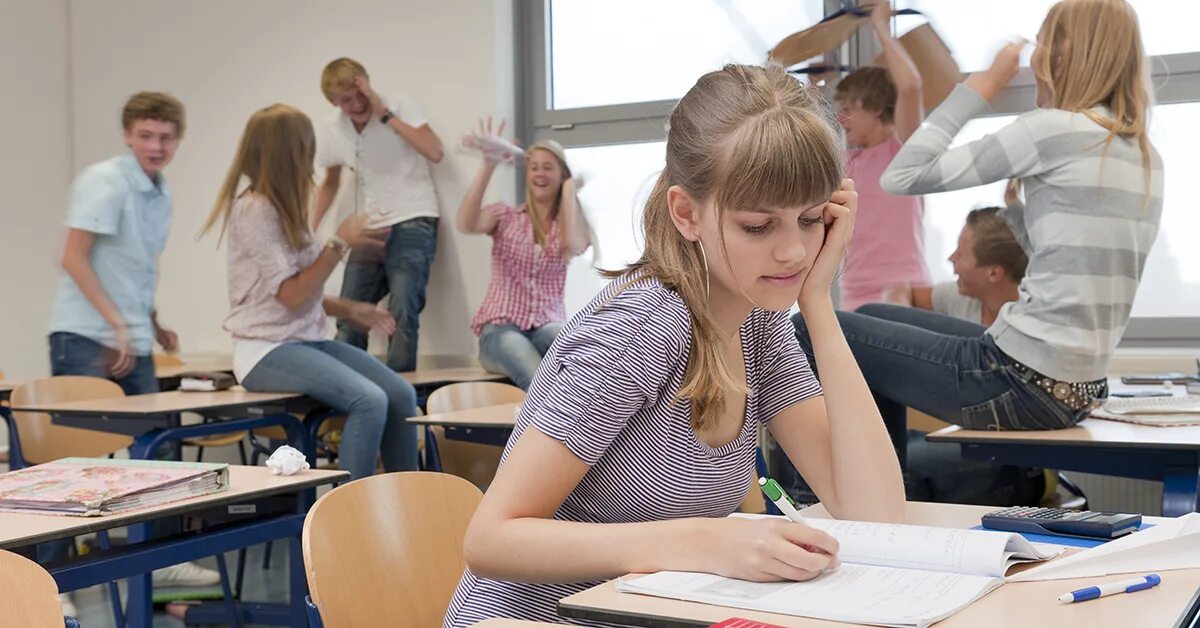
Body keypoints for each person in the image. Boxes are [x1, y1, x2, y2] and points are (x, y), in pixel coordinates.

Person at [443, 63, 904, 627]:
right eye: (758, 227)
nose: (793, 252)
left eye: (811, 220)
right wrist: (701, 542)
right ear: (687, 213)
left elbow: (876, 515)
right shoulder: (637, 331)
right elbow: (490, 540)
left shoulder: (761, 323)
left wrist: (819, 307)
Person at [793, 0, 1163, 456]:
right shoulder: (1142, 155)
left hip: (1017, 379)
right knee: (869, 320)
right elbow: (1053, 262)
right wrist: (1017, 210)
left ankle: (838, 502)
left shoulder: (1053, 130)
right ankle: (878, 490)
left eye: (1044, 44)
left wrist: (981, 87)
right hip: (1075, 389)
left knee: (805, 328)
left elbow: (902, 176)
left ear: (1062, 56)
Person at [45, 92, 220, 603]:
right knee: (73, 463)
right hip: (84, 335)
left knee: (157, 453)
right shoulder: (104, 181)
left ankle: (164, 563)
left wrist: (152, 322)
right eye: (146, 135)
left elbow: (134, 269)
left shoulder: (159, 191)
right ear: (127, 135)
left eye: (166, 137)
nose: (156, 146)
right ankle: (54, 584)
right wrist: (117, 324)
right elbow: (73, 257)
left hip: (130, 335)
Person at [202, 104, 419, 481]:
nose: (312, 159)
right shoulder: (255, 209)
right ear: (290, 152)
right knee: (368, 400)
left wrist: (352, 309)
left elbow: (299, 291)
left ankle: (409, 501)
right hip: (265, 350)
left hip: (305, 340)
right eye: (306, 148)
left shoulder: (288, 210)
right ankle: (349, 516)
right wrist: (338, 244)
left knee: (400, 394)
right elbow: (290, 296)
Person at [310, 57, 444, 373]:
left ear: (367, 85)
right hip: (370, 226)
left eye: (360, 94)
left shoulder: (397, 104)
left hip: (414, 216)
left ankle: (401, 396)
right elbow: (329, 182)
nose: (357, 104)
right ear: (333, 102)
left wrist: (385, 115)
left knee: (402, 310)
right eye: (346, 100)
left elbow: (435, 151)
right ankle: (346, 389)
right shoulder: (331, 129)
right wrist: (309, 229)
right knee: (350, 312)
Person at [457, 123, 591, 390]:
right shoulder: (506, 217)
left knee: (575, 349)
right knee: (530, 366)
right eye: (534, 167)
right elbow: (466, 223)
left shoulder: (568, 226)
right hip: (500, 330)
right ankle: (553, 429)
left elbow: (571, 244)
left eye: (548, 167)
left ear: (561, 174)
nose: (540, 173)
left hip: (546, 325)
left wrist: (568, 191)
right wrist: (489, 164)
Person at [834, 0, 930, 311]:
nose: (840, 119)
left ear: (876, 109)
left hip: (903, 287)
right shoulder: (848, 161)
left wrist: (881, 27)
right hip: (854, 290)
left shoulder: (903, 150)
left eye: (848, 110)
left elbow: (911, 85)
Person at [894, 206, 1026, 326]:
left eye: (961, 253)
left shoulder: (1030, 327)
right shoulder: (961, 297)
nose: (951, 258)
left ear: (994, 273)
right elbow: (903, 290)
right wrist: (900, 316)